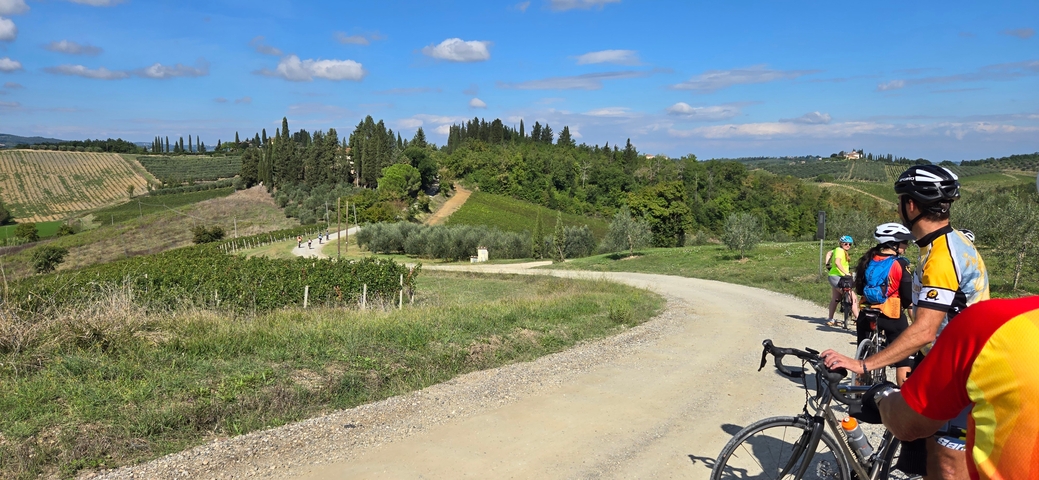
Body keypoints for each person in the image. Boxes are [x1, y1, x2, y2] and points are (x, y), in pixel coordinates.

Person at [822, 164, 989, 480]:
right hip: (942, 364)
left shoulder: (942, 256)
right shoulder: (939, 246)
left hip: (962, 375)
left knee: (944, 468)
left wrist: (863, 365)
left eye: (900, 201)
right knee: (917, 453)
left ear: (910, 205)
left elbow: (925, 327)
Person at [858, 296, 1039, 480]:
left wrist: (880, 393)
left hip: (956, 357)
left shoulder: (993, 321)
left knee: (944, 454)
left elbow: (907, 424)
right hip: (957, 358)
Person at [854, 222, 915, 385]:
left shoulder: (867, 259)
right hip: (891, 314)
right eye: (904, 242)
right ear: (894, 243)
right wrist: (909, 307)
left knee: (862, 356)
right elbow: (908, 295)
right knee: (903, 356)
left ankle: (857, 391)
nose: (907, 246)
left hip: (866, 312)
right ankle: (904, 397)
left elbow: (859, 288)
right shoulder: (900, 263)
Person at [824, 235, 858, 326]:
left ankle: (831, 319)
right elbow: (837, 262)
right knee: (853, 297)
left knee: (836, 298)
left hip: (835, 276)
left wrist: (827, 264)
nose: (848, 245)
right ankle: (858, 319)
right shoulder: (840, 251)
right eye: (845, 243)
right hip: (838, 277)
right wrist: (845, 273)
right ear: (841, 243)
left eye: (850, 244)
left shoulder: (837, 250)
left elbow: (829, 253)